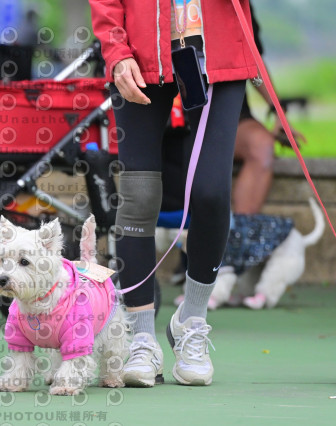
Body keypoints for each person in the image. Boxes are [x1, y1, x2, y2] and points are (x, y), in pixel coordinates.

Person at [89, 0, 258, 387]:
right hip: (140, 54)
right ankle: (142, 339)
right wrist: (116, 52)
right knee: (139, 195)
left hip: (219, 54)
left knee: (212, 194)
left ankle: (191, 321)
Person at [232, 3, 306, 214]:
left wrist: (279, 113)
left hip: (226, 111)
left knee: (262, 145)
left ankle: (242, 230)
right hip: (170, 109)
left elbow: (252, 59)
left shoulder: (239, 5)